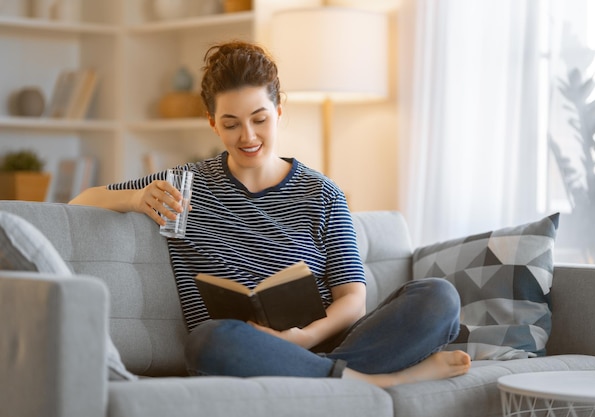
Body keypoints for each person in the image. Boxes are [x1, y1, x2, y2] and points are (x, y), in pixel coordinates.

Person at [70, 40, 471, 387]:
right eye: (231, 124)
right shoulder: (184, 185)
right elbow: (78, 203)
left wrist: (306, 338)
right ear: (213, 124)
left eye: (259, 119)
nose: (247, 136)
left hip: (325, 342)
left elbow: (352, 299)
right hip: (238, 348)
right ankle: (375, 381)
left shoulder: (322, 193)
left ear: (279, 110)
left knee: (437, 296)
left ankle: (335, 378)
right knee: (207, 340)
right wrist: (136, 197)